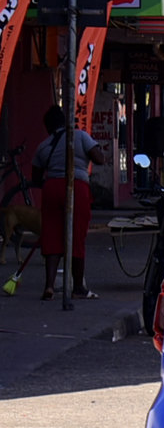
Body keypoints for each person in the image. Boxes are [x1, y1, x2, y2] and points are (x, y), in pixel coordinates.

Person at [32, 105, 104, 301]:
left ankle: (49, 286)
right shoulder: (79, 136)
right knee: (76, 237)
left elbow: (36, 178)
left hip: (51, 189)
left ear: (48, 127)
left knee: (52, 237)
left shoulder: (43, 145)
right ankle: (78, 287)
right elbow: (99, 159)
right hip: (76, 187)